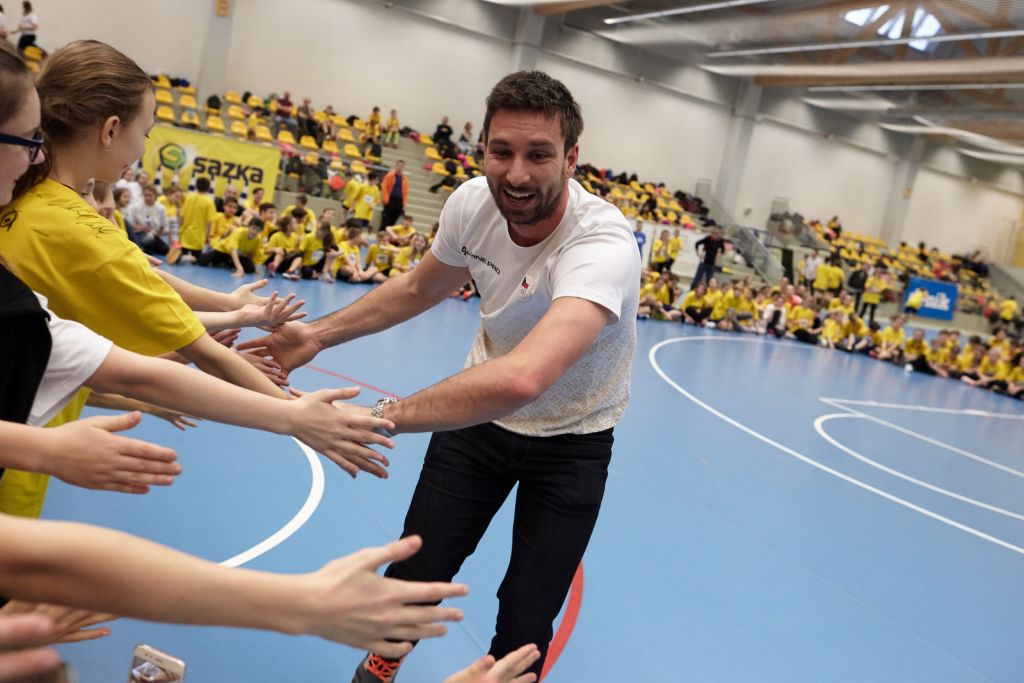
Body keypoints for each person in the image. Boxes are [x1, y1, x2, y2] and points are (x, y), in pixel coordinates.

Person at [241, 71, 639, 681]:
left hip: (574, 440)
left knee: (528, 613)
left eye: (539, 155)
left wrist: (382, 416)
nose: (517, 174)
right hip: (478, 427)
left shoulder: (601, 244)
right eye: (501, 151)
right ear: (482, 149)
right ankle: (379, 667)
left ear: (571, 158)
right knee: (416, 571)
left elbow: (524, 377)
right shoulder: (472, 205)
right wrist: (315, 336)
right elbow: (418, 288)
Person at [128, 184, 170, 256]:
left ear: (155, 196)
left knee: (165, 250)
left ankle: (148, 247)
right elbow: (130, 224)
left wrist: (158, 234)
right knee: (148, 243)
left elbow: (163, 225)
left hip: (153, 234)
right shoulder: (135, 207)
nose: (148, 198)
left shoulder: (160, 208)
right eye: (146, 195)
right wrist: (141, 228)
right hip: (139, 233)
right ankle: (145, 249)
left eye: (150, 196)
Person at [690, 225, 724, 290]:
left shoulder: (720, 241)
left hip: (711, 264)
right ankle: (691, 290)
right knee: (697, 279)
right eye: (714, 234)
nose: (716, 236)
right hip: (704, 262)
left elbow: (722, 249)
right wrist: (698, 253)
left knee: (709, 281)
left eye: (717, 234)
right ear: (712, 233)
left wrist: (719, 255)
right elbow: (697, 243)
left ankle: (708, 293)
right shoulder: (707, 239)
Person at [379, 160, 407, 230]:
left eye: (402, 166)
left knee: (394, 218)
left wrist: (404, 202)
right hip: (390, 199)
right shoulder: (389, 175)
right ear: (396, 166)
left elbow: (405, 191)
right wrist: (386, 199)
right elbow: (384, 187)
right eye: (399, 165)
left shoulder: (404, 178)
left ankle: (389, 232)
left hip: (399, 201)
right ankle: (382, 231)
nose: (400, 167)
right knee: (386, 218)